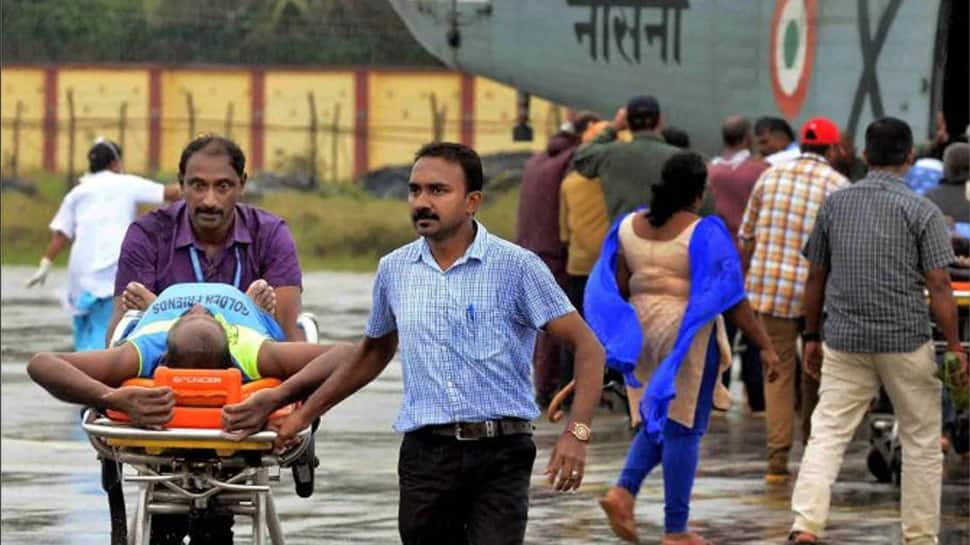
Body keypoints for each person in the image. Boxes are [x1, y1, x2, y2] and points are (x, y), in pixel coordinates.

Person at [271, 142, 606, 545]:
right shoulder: (394, 269)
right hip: (425, 457)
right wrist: (302, 414)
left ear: (472, 202)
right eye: (415, 190)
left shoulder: (517, 267)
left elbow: (588, 348)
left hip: (501, 453)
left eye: (437, 191)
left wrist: (578, 432)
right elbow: (372, 353)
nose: (422, 202)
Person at [27, 281, 353, 545]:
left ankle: (250, 304)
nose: (199, 307)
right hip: (209, 310)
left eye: (201, 314)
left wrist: (112, 396)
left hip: (198, 311)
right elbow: (347, 355)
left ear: (164, 361)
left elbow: (41, 363)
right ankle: (251, 303)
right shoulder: (251, 353)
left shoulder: (150, 350)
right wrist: (278, 396)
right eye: (195, 313)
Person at [787, 117, 968, 545]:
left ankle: (805, 525)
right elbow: (940, 284)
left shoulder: (835, 204)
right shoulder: (921, 209)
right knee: (922, 438)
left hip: (845, 338)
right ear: (909, 158)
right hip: (906, 339)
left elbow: (816, 277)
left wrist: (812, 335)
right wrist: (955, 346)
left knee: (828, 432)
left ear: (865, 156)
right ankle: (920, 537)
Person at [589, 152, 780, 544]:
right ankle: (676, 529)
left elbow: (621, 284)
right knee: (685, 428)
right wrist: (765, 346)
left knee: (658, 416)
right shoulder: (702, 231)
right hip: (685, 333)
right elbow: (732, 298)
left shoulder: (628, 226)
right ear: (697, 192)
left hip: (641, 330)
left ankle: (623, 492)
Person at [108, 134, 306, 342]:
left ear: (242, 184)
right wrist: (246, 312)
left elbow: (288, 333)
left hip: (252, 365)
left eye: (223, 187)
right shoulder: (146, 234)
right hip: (164, 364)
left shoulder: (271, 234)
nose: (210, 201)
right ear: (181, 184)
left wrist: (158, 309)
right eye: (198, 186)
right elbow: (121, 336)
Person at [738, 116, 849, 482]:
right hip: (818, 295)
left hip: (770, 289)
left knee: (778, 370)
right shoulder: (838, 185)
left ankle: (777, 459)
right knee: (816, 369)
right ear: (832, 149)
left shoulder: (770, 176)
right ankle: (813, 447)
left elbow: (747, 236)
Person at [24, 139, 179, 351]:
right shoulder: (126, 183)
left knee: (84, 328)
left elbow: (62, 234)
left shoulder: (77, 192)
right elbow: (171, 193)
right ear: (115, 163)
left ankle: (83, 372)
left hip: (81, 272)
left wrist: (45, 264)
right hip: (112, 271)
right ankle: (102, 371)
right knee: (111, 328)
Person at [516, 111, 600, 407]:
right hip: (556, 248)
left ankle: (542, 386)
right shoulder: (572, 160)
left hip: (529, 243)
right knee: (557, 322)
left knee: (539, 324)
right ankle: (551, 389)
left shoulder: (538, 159)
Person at [707, 115, 769, 414]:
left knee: (723, 331)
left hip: (717, 262)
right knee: (755, 329)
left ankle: (717, 394)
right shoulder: (761, 171)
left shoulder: (710, 171)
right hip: (750, 260)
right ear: (747, 138)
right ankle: (758, 398)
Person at [572, 95, 680, 221]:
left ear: (626, 122)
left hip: (623, 237)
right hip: (669, 237)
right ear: (660, 120)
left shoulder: (610, 154)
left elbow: (581, 157)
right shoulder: (678, 158)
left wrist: (613, 128)